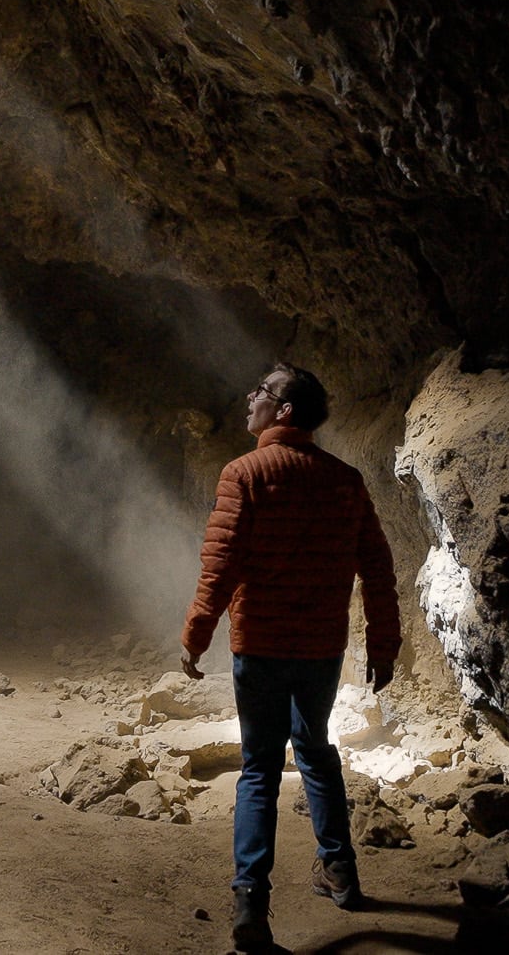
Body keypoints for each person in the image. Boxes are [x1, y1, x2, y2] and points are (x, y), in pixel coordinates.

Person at [181, 362, 400, 952]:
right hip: (320, 648)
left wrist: (197, 634)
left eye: (263, 390)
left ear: (283, 411)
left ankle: (251, 898)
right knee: (315, 749)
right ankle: (341, 871)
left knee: (258, 769)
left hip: (260, 645)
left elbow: (220, 564)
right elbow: (377, 568)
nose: (249, 395)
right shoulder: (345, 479)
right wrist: (384, 642)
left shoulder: (244, 473)